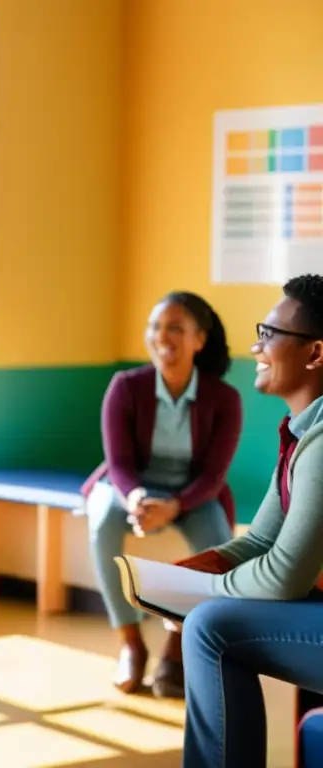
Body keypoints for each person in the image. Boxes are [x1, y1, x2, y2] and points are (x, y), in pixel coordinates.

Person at [179, 274, 323, 767]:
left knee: (208, 626)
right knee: (207, 617)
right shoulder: (303, 434)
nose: (255, 346)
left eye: (269, 334)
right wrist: (184, 575)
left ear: (315, 353)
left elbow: (284, 576)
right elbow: (262, 538)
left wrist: (202, 593)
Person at [80, 291, 241, 697]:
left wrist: (175, 506)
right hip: (130, 485)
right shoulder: (125, 387)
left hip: (193, 492)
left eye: (175, 328)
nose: (162, 336)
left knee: (219, 542)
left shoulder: (224, 399)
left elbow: (214, 475)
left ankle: (175, 646)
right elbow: (117, 463)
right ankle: (130, 642)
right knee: (101, 521)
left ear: (198, 340)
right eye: (155, 326)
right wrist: (134, 497)